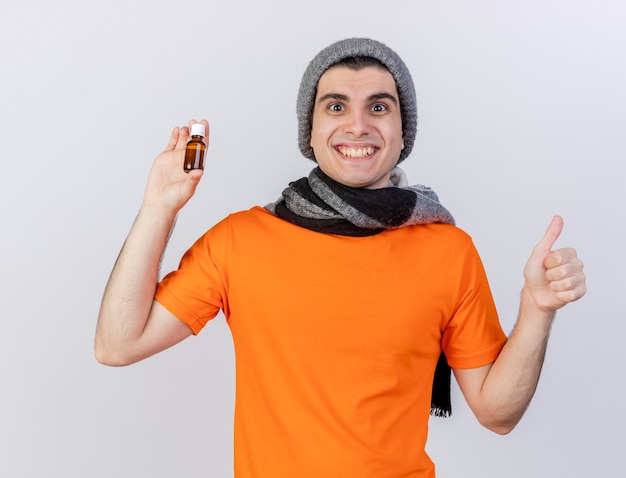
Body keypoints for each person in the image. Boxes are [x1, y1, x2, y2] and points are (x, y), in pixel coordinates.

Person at [95, 38, 586, 477]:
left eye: (378, 107)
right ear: (309, 132)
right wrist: (158, 210)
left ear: (401, 131)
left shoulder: (448, 250)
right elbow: (118, 345)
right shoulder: (239, 241)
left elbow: (497, 414)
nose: (357, 125)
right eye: (335, 106)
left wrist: (537, 311)